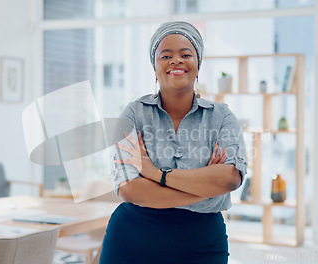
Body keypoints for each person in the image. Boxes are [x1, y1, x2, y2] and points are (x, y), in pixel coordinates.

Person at [99, 21, 247, 264]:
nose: (176, 61)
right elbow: (129, 189)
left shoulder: (222, 117)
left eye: (185, 54)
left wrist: (156, 174)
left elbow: (230, 178)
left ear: (198, 63)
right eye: (165, 55)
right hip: (132, 240)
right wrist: (207, 189)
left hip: (202, 243)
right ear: (155, 66)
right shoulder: (133, 115)